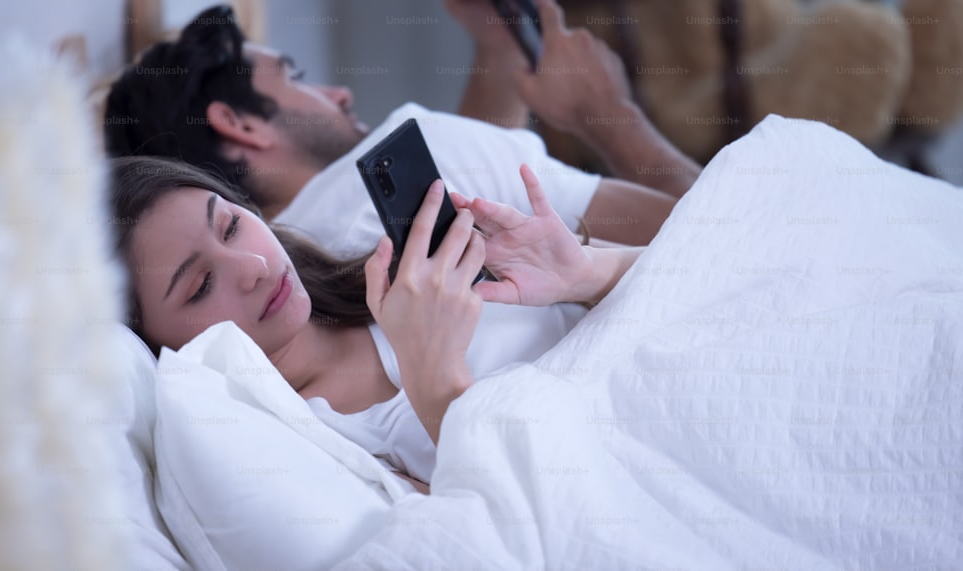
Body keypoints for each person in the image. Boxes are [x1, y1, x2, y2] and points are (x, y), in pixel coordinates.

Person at [103, 0, 700, 252]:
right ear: (240, 124)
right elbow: (729, 236)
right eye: (297, 77)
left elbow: (473, 175)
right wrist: (610, 115)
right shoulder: (429, 151)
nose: (339, 95)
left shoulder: (295, 272)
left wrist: (498, 44)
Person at [110, 155, 641, 494]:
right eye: (200, 285)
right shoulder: (309, 448)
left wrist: (584, 273)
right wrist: (432, 371)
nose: (251, 269)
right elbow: (517, 528)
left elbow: (694, 272)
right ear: (161, 350)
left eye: (229, 226)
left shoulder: (404, 272)